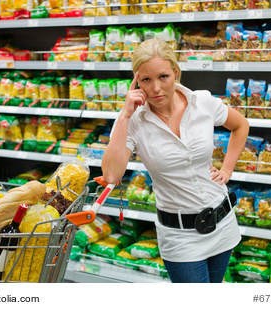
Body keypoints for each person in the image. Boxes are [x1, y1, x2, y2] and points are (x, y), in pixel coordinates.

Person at [101, 38, 250, 283]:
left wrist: (227, 169)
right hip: (180, 236)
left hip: (222, 221)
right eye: (146, 80)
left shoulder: (201, 101)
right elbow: (111, 176)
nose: (156, 88)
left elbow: (240, 125)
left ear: (176, 73)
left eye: (163, 77)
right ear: (136, 82)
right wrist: (126, 114)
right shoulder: (133, 120)